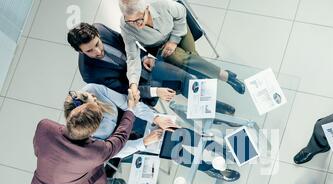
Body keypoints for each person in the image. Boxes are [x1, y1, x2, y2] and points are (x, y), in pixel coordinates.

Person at [66, 84, 240, 182]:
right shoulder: (88, 136)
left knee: (188, 135)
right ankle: (209, 168)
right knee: (179, 154)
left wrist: (155, 118)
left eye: (92, 97)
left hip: (139, 118)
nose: (95, 98)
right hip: (131, 142)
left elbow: (130, 104)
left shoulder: (92, 90)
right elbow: (115, 151)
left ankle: (225, 152)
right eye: (93, 103)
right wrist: (144, 142)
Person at [29, 88, 154, 184]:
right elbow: (120, 138)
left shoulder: (44, 127)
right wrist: (130, 109)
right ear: (94, 130)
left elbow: (38, 150)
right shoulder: (95, 153)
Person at [67, 22, 235, 115]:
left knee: (183, 78)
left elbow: (127, 43)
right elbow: (126, 92)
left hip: (146, 66)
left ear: (97, 34)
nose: (97, 51)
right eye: (89, 51)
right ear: (79, 51)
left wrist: (144, 57)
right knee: (178, 85)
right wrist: (155, 91)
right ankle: (211, 108)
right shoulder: (89, 73)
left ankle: (214, 105)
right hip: (141, 87)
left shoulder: (101, 29)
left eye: (97, 44)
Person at [117, 0, 246, 102]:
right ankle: (225, 76)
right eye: (131, 21)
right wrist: (133, 83)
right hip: (159, 47)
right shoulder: (125, 25)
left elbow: (181, 12)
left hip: (178, 32)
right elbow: (132, 56)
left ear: (146, 8)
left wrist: (173, 40)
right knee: (183, 59)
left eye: (140, 19)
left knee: (186, 60)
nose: (136, 25)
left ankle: (220, 78)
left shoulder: (161, 4)